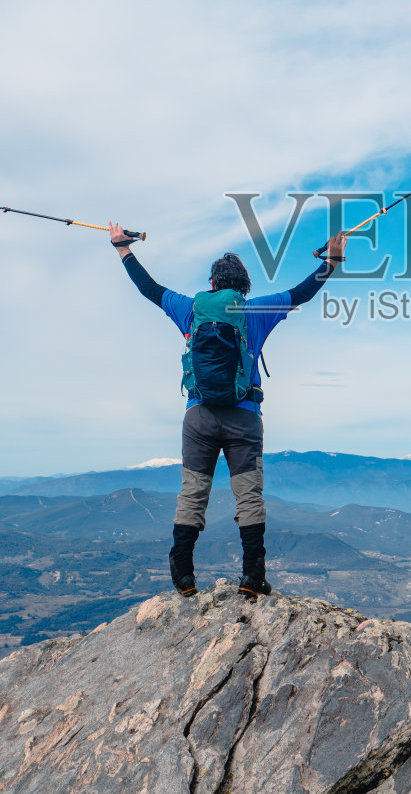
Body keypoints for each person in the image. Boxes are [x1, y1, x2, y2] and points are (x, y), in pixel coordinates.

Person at [109, 222, 346, 599]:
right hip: (244, 416)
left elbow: (148, 288)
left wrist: (123, 248)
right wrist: (330, 262)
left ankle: (184, 576)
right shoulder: (258, 311)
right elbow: (302, 292)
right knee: (248, 496)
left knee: (192, 493)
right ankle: (253, 577)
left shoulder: (190, 309)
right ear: (244, 286)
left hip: (198, 415)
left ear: (213, 283)